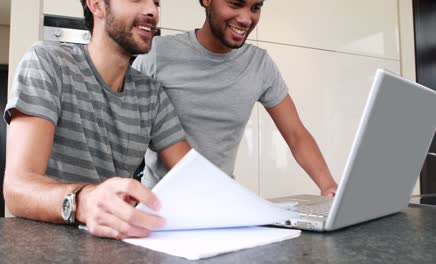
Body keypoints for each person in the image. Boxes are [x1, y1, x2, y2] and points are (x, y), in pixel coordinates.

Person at [3, 0, 191, 240]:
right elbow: (17, 188)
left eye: (156, 2)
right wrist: (85, 201)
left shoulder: (151, 94)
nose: (152, 11)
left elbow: (191, 172)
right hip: (46, 244)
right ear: (97, 5)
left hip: (113, 244)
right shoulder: (49, 62)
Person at [133, 0, 338, 196]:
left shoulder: (259, 64)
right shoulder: (156, 54)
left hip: (222, 201)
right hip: (160, 204)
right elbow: (128, 135)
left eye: (255, 7)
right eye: (235, 4)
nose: (246, 19)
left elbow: (296, 134)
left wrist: (329, 187)